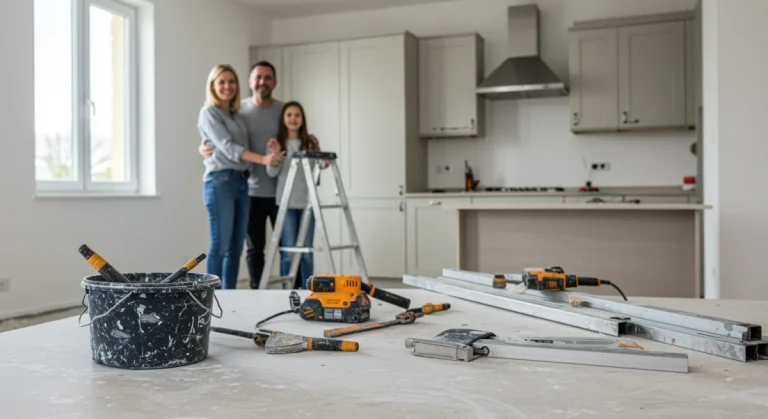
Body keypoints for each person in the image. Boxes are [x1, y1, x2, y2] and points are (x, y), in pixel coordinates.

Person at [199, 61, 319, 289]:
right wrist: (203, 147)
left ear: (274, 82)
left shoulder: (282, 110)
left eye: (268, 77)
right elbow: (222, 142)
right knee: (252, 250)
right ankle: (254, 292)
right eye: (258, 77)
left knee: (287, 248)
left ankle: (291, 295)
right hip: (250, 189)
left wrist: (311, 144)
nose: (262, 82)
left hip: (280, 192)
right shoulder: (239, 111)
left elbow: (296, 134)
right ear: (250, 82)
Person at [197, 64, 282, 290]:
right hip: (220, 182)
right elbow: (228, 147)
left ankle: (230, 297)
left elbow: (236, 145)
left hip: (242, 182)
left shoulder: (236, 114)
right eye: (221, 82)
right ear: (213, 86)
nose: (227, 86)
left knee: (236, 248)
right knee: (220, 246)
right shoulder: (209, 112)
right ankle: (210, 299)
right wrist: (263, 160)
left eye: (231, 81)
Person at [266, 101, 328, 289]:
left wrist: (323, 161)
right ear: (283, 119)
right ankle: (287, 292)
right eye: (289, 115)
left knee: (307, 252)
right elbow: (271, 173)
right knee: (288, 253)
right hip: (286, 204)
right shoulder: (276, 143)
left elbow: (319, 167)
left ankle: (309, 290)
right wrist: (275, 156)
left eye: (297, 115)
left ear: (303, 119)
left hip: (308, 204)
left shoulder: (309, 143)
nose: (293, 119)